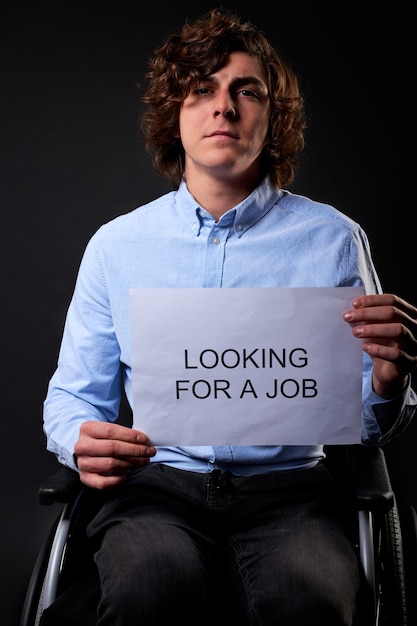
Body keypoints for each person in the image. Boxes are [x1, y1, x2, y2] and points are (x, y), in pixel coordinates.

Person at [42, 7, 417, 626]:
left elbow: (369, 423)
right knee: (149, 588)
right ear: (177, 116)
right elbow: (72, 398)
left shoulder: (333, 240)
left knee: (314, 600)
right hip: (159, 490)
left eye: (247, 91)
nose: (225, 107)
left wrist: (386, 381)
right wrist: (79, 437)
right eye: (202, 91)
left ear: (272, 119)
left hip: (290, 494)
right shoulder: (116, 246)